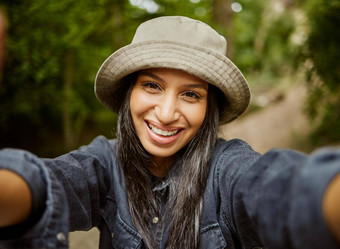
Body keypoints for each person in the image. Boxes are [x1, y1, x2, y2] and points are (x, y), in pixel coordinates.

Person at [0, 16, 339, 249]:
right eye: (152, 86)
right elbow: (46, 182)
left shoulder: (227, 167)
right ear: (128, 93)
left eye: (191, 94)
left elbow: (281, 188)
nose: (165, 113)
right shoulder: (103, 162)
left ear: (210, 108)